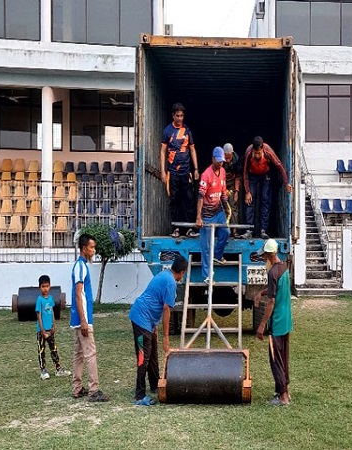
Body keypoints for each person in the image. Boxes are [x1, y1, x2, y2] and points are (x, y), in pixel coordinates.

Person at [128, 255, 188, 406]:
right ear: (182, 272)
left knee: (152, 354)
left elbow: (154, 297)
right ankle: (139, 396)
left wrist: (154, 325)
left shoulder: (164, 274)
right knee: (143, 358)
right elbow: (166, 309)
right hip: (141, 319)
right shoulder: (171, 283)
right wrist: (166, 336)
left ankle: (155, 385)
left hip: (148, 321)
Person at [70, 233, 109, 402]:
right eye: (92, 248)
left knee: (79, 354)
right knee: (90, 353)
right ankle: (94, 390)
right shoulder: (81, 267)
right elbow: (79, 295)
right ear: (84, 249)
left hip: (78, 319)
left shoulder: (81, 266)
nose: (94, 251)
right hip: (83, 320)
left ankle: (77, 388)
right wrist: (84, 320)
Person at [254, 238, 293, 406]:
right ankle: (286, 391)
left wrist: (262, 325)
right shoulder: (283, 267)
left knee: (275, 359)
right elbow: (275, 289)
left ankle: (283, 397)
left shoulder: (272, 273)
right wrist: (261, 293)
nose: (264, 259)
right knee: (283, 356)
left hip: (276, 322)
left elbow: (272, 302)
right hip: (286, 320)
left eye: (264, 256)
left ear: (269, 255)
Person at [160, 103, 200, 238]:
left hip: (186, 172)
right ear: (173, 115)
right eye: (177, 116)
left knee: (188, 200)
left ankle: (189, 229)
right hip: (173, 173)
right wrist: (163, 171)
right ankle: (176, 228)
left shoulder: (187, 131)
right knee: (174, 200)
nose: (180, 118)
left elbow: (192, 149)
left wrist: (196, 168)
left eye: (182, 116)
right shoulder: (167, 131)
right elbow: (163, 151)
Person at [242, 136, 292, 239]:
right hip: (252, 176)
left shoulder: (268, 151)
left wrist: (286, 183)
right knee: (249, 201)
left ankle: (263, 230)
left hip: (265, 175)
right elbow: (245, 173)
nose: (257, 155)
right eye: (255, 153)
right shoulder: (248, 153)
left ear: (262, 149)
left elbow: (280, 166)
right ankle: (248, 230)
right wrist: (247, 191)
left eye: (259, 153)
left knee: (265, 200)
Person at [196, 147, 231, 284]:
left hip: (218, 211)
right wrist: (198, 217)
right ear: (213, 159)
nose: (220, 164)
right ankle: (207, 276)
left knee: (226, 232)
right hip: (206, 215)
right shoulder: (206, 175)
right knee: (206, 247)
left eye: (222, 161)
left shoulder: (222, 171)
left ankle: (217, 255)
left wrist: (226, 207)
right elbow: (200, 196)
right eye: (218, 161)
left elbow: (223, 192)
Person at [35, 274, 71, 380]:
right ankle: (43, 370)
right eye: (43, 286)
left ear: (50, 286)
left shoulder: (50, 298)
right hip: (42, 330)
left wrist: (54, 325)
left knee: (53, 349)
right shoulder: (39, 300)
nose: (45, 289)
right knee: (42, 350)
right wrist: (42, 331)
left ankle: (58, 369)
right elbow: (39, 315)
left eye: (47, 286)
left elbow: (52, 312)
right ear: (39, 287)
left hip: (50, 329)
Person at [222, 143, 243, 238]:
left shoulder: (236, 159)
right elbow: (218, 176)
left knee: (233, 206)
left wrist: (236, 192)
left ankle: (234, 230)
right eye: (226, 157)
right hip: (221, 183)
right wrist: (223, 190)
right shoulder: (220, 160)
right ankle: (222, 230)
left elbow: (238, 177)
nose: (227, 159)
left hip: (233, 183)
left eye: (229, 156)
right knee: (222, 206)